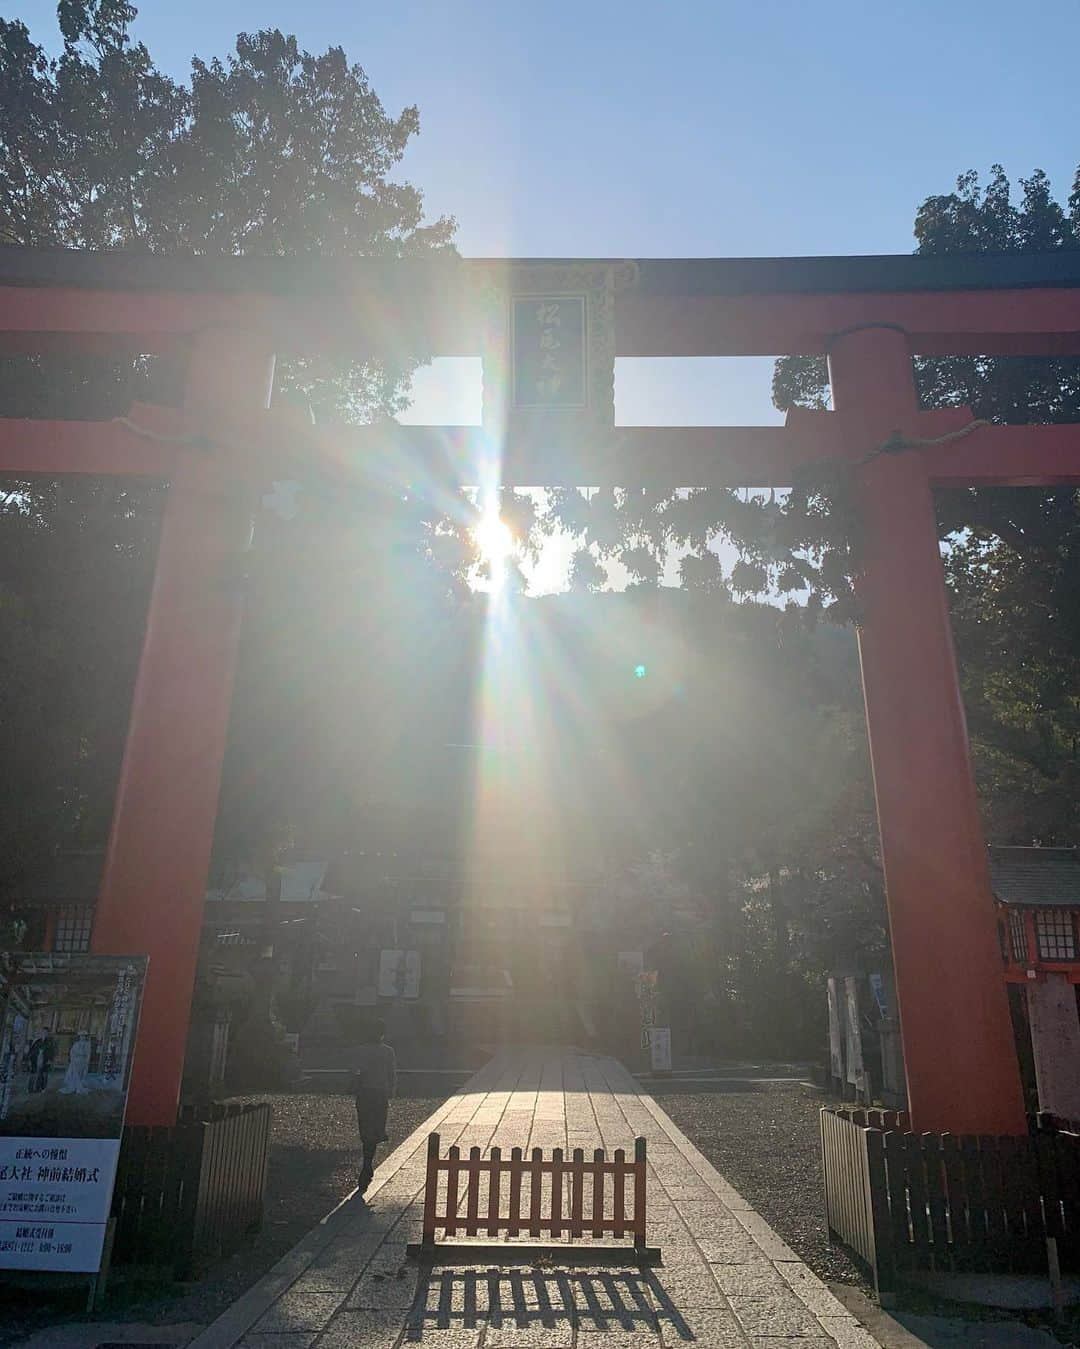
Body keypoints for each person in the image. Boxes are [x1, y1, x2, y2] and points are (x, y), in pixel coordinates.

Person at [353, 1019, 395, 1194]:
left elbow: (356, 1072)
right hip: (380, 1093)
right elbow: (391, 1074)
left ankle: (367, 1162)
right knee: (376, 1127)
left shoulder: (361, 1051)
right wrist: (391, 1092)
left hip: (364, 1093)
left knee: (365, 1126)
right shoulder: (388, 1052)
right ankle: (368, 1161)